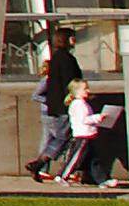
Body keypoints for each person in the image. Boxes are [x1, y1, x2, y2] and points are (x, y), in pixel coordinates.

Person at [28, 25, 88, 181]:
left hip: (53, 106)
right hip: (63, 106)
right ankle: (43, 164)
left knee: (56, 138)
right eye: (72, 37)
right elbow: (70, 83)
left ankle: (41, 164)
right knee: (63, 138)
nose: (75, 41)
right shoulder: (67, 59)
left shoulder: (55, 58)